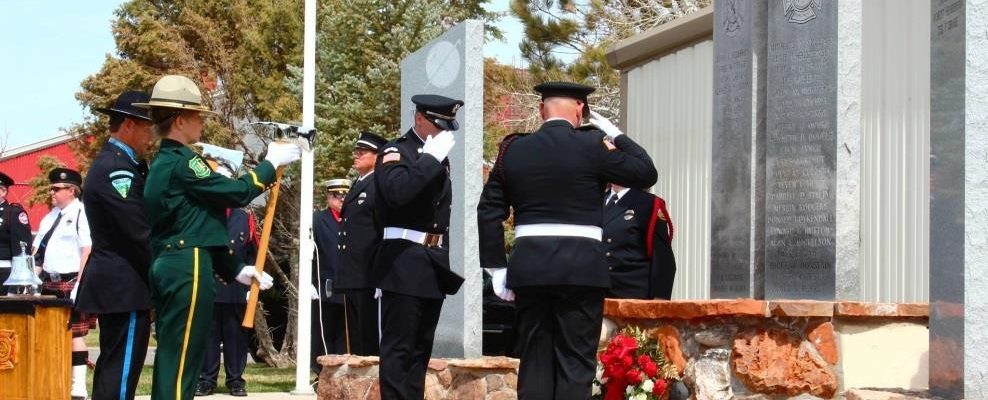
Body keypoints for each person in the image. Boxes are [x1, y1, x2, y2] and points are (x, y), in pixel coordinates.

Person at [477, 81, 658, 399]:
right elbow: (646, 173)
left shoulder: (513, 149)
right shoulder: (593, 146)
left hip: (530, 269)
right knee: (575, 364)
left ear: (541, 110)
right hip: (581, 269)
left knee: (535, 361)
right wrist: (616, 135)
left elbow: (489, 210)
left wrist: (496, 267)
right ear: (580, 109)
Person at [137, 74, 295, 400]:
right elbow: (235, 193)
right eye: (197, 116)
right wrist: (269, 165)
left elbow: (196, 223)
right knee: (183, 356)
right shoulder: (184, 162)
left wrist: (234, 268)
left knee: (178, 353)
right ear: (179, 120)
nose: (201, 122)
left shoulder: (165, 162)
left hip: (180, 260)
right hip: (188, 265)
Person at [373, 94, 465, 399]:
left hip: (431, 261)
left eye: (448, 127)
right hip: (403, 261)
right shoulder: (396, 151)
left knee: (419, 351)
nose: (444, 133)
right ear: (419, 119)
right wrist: (429, 160)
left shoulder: (436, 156)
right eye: (439, 125)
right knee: (399, 350)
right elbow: (397, 193)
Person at [75, 90, 156, 400]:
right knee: (119, 377)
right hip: (126, 285)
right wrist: (165, 274)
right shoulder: (116, 169)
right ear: (129, 125)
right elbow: (138, 234)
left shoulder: (123, 163)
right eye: (147, 127)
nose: (151, 136)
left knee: (115, 371)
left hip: (121, 285)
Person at [196, 161, 257, 397]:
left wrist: (253, 286)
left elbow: (252, 252)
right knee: (207, 336)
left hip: (235, 288)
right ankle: (206, 380)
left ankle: (235, 380)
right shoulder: (203, 214)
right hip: (209, 285)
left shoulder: (244, 217)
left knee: (236, 338)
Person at [32, 167, 94, 400]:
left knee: (75, 334)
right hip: (49, 282)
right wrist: (32, 281)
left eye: (57, 189)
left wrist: (80, 284)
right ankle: (54, 381)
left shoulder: (81, 213)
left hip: (71, 281)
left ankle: (78, 387)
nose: (52, 192)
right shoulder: (49, 218)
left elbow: (87, 250)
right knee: (48, 333)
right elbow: (38, 253)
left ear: (72, 190)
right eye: (52, 188)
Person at [336, 131, 388, 356]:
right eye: (356, 151)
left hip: (368, 272)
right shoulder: (359, 184)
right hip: (353, 273)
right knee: (355, 339)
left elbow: (381, 229)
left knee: (369, 338)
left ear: (377, 156)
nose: (356, 155)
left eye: (362, 152)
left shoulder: (379, 184)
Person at [602, 183, 677, 300]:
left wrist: (659, 300)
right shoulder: (595, 200)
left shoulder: (648, 203)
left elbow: (663, 257)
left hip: (632, 294)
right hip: (597, 292)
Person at [311, 178, 350, 369]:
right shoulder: (318, 219)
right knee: (323, 332)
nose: (341, 199)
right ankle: (321, 371)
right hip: (325, 285)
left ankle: (343, 370)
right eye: (337, 195)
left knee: (345, 333)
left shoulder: (353, 219)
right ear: (328, 196)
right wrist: (310, 282)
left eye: (345, 195)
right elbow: (310, 252)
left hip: (349, 285)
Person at [0, 171, 31, 295]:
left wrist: (16, 283)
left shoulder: (13, 213)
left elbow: (22, 249)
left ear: (2, 192)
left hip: (4, 275)